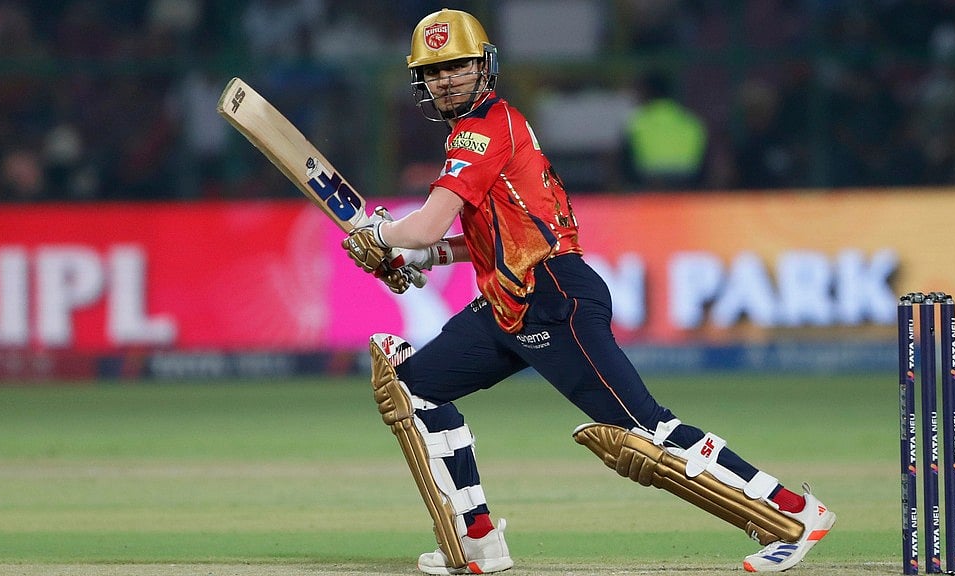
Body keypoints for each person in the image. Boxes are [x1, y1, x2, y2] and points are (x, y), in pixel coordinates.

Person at [340, 8, 835, 575]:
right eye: (434, 71)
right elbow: (486, 238)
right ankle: (478, 537)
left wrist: (378, 234)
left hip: (550, 295)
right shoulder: (484, 135)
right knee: (414, 390)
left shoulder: (484, 129)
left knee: (647, 433)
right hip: (513, 301)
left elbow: (426, 223)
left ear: (485, 67)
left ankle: (795, 515)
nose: (446, 79)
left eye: (457, 66)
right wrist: (419, 255)